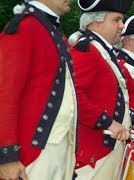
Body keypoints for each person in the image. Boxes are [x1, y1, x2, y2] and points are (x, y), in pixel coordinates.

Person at [69, 0, 134, 179]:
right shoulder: (87, 50)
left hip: (108, 149)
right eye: (117, 20)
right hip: (94, 154)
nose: (122, 26)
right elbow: (73, 96)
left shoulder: (102, 51)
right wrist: (108, 123)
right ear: (96, 22)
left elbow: (114, 101)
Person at [0, 0, 77, 179]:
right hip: (33, 153)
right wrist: (6, 156)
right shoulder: (24, 28)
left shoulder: (54, 31)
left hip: (57, 149)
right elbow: (5, 94)